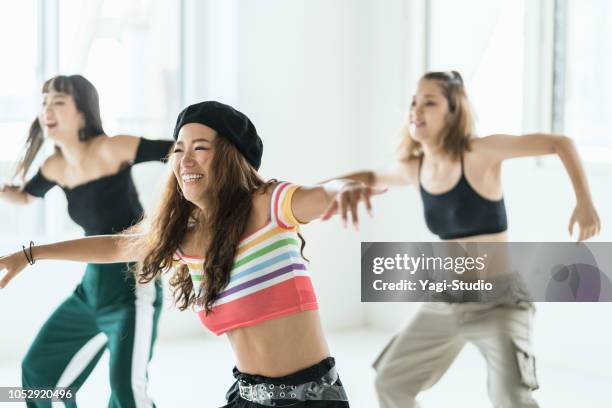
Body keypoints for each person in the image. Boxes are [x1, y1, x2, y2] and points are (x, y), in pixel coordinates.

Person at [1, 101, 385, 407]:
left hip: (310, 400)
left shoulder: (268, 205)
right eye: (179, 149)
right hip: (245, 397)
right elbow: (117, 244)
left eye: (200, 148)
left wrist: (343, 189)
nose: (184, 160)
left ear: (232, 157)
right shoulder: (185, 239)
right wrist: (31, 253)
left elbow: (321, 193)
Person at [334, 71, 601, 407]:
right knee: (390, 381)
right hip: (445, 302)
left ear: (453, 111)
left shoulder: (479, 153)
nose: (416, 109)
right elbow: (371, 177)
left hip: (499, 303)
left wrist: (585, 202)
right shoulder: (416, 168)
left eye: (429, 102)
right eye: (413, 101)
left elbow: (559, 143)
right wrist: (332, 187)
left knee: (510, 398)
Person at [0, 74, 174, 408]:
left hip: (132, 287)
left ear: (82, 111)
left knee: (127, 394)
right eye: (44, 103)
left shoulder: (113, 147)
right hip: (91, 289)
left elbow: (179, 154)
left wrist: (169, 220)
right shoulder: (55, 166)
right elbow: (24, 198)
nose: (48, 110)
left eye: (59, 102)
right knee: (39, 373)